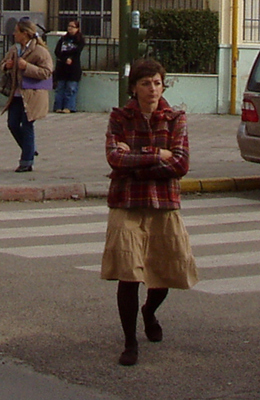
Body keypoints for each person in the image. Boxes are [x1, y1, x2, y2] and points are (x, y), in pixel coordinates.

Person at [101, 56, 197, 367]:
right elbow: (115, 158)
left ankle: (150, 311)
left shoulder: (175, 118)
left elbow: (180, 163)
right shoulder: (119, 118)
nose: (152, 89)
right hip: (127, 202)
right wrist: (158, 155)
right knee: (128, 274)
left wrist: (137, 159)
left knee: (164, 271)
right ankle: (130, 342)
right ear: (134, 88)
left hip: (162, 202)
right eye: (145, 83)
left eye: (157, 83)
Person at [0, 18, 53, 173]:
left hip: (32, 94)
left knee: (27, 125)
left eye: (17, 31)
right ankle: (30, 148)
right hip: (16, 94)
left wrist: (27, 67)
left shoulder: (40, 51)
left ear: (25, 33)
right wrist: (6, 66)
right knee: (12, 124)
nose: (14, 34)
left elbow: (47, 72)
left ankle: (26, 162)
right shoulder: (14, 49)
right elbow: (2, 64)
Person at [52, 19, 85, 113]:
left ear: (77, 28)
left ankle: (69, 107)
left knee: (71, 89)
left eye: (72, 27)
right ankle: (58, 107)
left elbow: (77, 51)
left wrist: (69, 57)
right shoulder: (63, 39)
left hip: (73, 69)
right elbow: (57, 52)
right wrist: (64, 58)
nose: (70, 28)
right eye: (69, 26)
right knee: (60, 88)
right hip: (62, 68)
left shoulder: (79, 40)